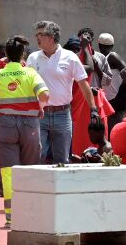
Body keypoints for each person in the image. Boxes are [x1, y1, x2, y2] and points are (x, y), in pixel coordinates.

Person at [0, 35, 49, 228]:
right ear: (23, 54)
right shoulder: (30, 73)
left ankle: (11, 217)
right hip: (30, 124)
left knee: (8, 171)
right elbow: (45, 94)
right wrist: (40, 107)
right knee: (30, 168)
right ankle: (30, 216)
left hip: (5, 125)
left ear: (5, 55)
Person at [27, 21, 99, 164]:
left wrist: (93, 109)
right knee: (37, 156)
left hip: (62, 115)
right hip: (39, 114)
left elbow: (83, 84)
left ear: (51, 37)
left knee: (62, 160)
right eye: (36, 34)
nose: (37, 38)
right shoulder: (32, 58)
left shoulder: (70, 57)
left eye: (40, 34)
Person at [97, 33, 126, 135]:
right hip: (107, 102)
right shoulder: (101, 59)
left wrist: (121, 97)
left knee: (116, 132)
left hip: (116, 102)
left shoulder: (112, 57)